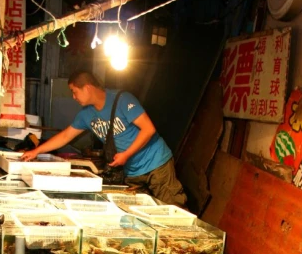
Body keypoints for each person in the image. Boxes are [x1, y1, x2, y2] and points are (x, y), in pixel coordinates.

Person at [21, 70, 187, 205]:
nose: (73, 97)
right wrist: (37, 151)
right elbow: (65, 136)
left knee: (174, 211)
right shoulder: (86, 115)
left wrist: (126, 154)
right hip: (132, 172)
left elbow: (148, 129)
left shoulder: (122, 99)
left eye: (74, 92)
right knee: (140, 217)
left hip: (157, 164)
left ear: (87, 88)